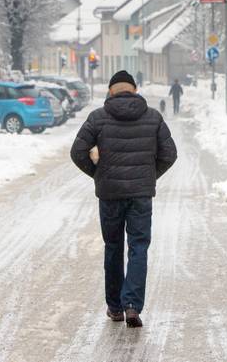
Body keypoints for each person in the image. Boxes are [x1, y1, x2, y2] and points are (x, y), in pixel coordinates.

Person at [70, 70, 177, 328]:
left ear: (110, 92)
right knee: (138, 247)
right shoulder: (153, 117)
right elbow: (169, 154)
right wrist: (148, 176)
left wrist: (98, 174)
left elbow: (77, 152)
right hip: (140, 195)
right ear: (135, 90)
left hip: (110, 195)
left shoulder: (97, 118)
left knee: (113, 247)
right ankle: (132, 305)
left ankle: (115, 307)